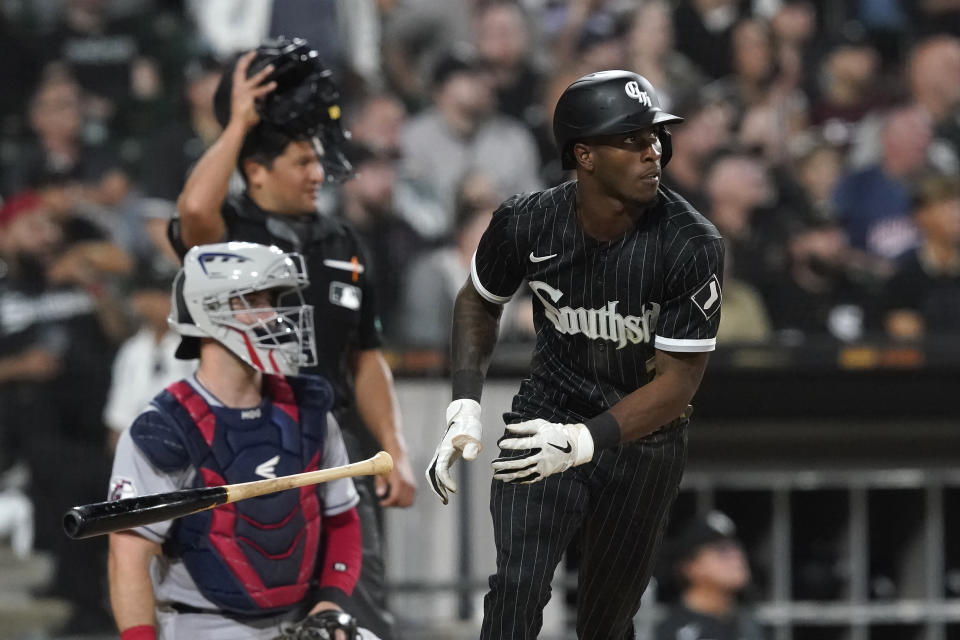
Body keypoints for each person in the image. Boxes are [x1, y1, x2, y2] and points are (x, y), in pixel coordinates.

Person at [426, 70, 725, 639]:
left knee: (606, 622)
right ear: (584, 154)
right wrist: (464, 403)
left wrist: (585, 441)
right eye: (633, 139)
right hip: (547, 410)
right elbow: (478, 302)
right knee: (516, 589)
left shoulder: (692, 242)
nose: (653, 151)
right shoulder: (526, 218)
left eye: (656, 137)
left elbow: (678, 385)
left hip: (643, 438)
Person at [169, 38, 415, 640]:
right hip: (245, 443)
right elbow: (193, 210)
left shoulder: (342, 242)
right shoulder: (233, 231)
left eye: (316, 160)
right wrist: (239, 124)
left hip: (336, 444)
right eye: (301, 162)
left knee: (351, 615)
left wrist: (395, 446)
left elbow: (366, 357)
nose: (317, 173)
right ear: (256, 170)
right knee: (251, 615)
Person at [107, 241, 373, 640]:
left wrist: (330, 604)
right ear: (208, 309)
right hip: (204, 625)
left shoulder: (310, 410)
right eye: (254, 299)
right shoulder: (163, 429)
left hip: (303, 620)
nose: (274, 314)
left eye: (273, 298)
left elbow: (342, 520)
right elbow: (127, 556)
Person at [655, 511, 766, 640]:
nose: (738, 556)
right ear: (690, 567)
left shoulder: (749, 622)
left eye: (737, 547)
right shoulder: (676, 631)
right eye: (723, 550)